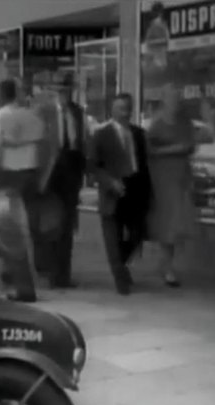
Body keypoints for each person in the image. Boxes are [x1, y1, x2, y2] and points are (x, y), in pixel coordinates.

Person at [0, 78, 44, 302]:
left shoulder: (0, 117)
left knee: (6, 230)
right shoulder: (31, 115)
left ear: (0, 95)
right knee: (26, 230)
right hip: (30, 176)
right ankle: (20, 278)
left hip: (5, 177)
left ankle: (21, 286)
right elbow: (45, 146)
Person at [92, 93, 151, 295]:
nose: (124, 112)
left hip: (135, 188)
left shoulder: (139, 133)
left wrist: (148, 193)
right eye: (119, 108)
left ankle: (120, 264)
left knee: (137, 234)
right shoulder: (101, 134)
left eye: (127, 108)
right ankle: (120, 279)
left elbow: (145, 165)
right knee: (112, 237)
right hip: (113, 190)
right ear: (112, 110)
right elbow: (92, 166)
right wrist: (110, 182)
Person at [39, 75, 88, 289]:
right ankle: (49, 269)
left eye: (66, 90)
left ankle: (63, 275)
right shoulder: (43, 112)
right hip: (50, 173)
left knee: (67, 223)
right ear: (53, 92)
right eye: (59, 90)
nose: (63, 94)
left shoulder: (77, 112)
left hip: (71, 169)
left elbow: (82, 141)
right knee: (51, 223)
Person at [146, 83, 197, 287]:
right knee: (167, 222)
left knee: (176, 223)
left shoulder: (185, 122)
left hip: (180, 176)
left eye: (178, 98)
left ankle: (167, 264)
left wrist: (183, 149)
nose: (176, 102)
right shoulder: (157, 123)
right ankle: (166, 267)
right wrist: (175, 149)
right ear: (165, 100)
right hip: (162, 177)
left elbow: (191, 145)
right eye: (172, 98)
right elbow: (148, 149)